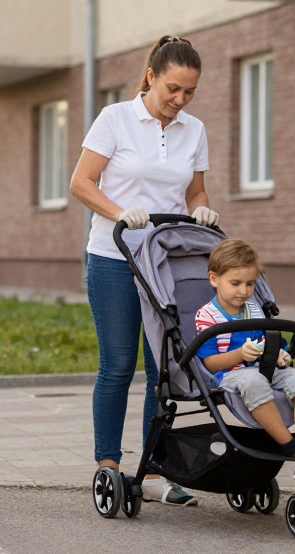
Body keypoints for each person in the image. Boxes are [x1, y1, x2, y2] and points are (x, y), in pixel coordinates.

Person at [69, 35, 218, 507]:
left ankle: (153, 471)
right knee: (117, 365)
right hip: (114, 258)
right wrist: (118, 212)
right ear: (150, 77)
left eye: (189, 92)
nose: (179, 100)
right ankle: (108, 467)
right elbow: (81, 183)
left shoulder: (193, 130)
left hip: (164, 262)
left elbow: (195, 192)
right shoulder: (115, 118)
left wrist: (202, 212)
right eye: (173, 88)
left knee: (162, 370)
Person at [195, 239, 295, 488]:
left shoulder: (254, 309)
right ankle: (292, 447)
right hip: (231, 375)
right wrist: (240, 354)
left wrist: (281, 353)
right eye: (235, 283)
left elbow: (269, 340)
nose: (244, 290)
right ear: (214, 279)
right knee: (253, 380)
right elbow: (211, 363)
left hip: (264, 367)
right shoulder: (207, 315)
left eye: (250, 284)